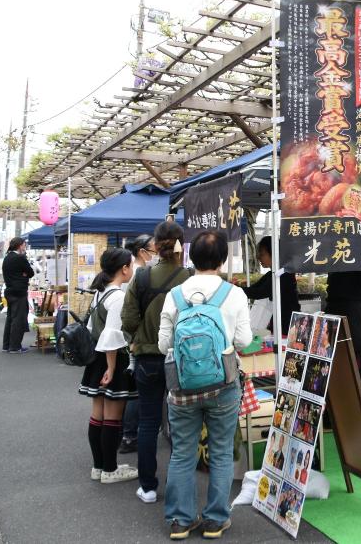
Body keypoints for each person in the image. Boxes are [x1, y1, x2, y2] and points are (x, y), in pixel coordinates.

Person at [159, 230, 251, 540]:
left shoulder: (175, 295)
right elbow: (243, 340)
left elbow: (163, 345)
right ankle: (215, 520)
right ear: (223, 259)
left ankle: (180, 521)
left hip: (182, 387)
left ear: (191, 258)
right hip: (223, 384)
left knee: (182, 453)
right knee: (221, 452)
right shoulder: (234, 294)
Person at [121, 222, 191, 504]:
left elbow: (128, 319)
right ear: (181, 244)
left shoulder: (142, 277)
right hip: (182, 359)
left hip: (147, 357)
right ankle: (179, 487)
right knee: (180, 424)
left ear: (156, 246)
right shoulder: (189, 278)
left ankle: (148, 487)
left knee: (148, 423)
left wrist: (139, 337)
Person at [78, 247, 138, 484]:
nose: (132, 269)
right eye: (131, 265)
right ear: (123, 269)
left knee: (98, 415)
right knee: (112, 417)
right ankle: (110, 470)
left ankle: (99, 467)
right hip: (111, 360)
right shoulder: (119, 297)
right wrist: (112, 368)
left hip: (96, 358)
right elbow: (112, 336)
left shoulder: (100, 293)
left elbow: (94, 330)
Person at [119, 234, 156, 455]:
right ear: (142, 252)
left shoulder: (141, 273)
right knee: (136, 392)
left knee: (137, 390)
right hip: (136, 341)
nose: (157, 253)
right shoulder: (138, 275)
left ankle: (129, 433)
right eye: (154, 249)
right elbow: (130, 314)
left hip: (135, 339)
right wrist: (134, 338)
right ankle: (129, 435)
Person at [240, 236, 299, 335]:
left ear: (274, 253)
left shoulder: (284, 274)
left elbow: (259, 292)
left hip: (287, 324)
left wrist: (234, 290)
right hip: (278, 323)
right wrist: (234, 289)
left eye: (262, 254)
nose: (259, 257)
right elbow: (253, 289)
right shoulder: (271, 274)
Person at [2, 238, 36, 353]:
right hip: (19, 292)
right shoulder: (20, 258)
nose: (25, 247)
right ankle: (15, 346)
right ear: (20, 245)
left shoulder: (7, 258)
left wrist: (23, 274)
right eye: (24, 245)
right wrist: (24, 274)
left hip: (9, 291)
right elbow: (31, 272)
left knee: (10, 318)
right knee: (18, 319)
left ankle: (6, 345)